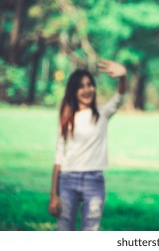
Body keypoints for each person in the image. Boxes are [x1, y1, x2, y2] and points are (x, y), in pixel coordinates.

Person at [48, 60, 127, 231]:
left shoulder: (102, 113)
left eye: (90, 84)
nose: (87, 89)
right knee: (64, 229)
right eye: (81, 86)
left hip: (94, 180)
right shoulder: (67, 118)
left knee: (91, 230)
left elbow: (119, 98)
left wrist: (123, 77)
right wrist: (54, 194)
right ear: (74, 91)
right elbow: (59, 156)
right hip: (67, 180)